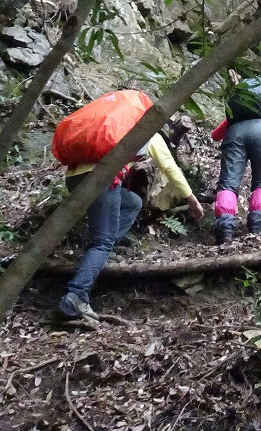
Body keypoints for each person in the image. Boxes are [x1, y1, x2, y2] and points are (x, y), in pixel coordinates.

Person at [56, 94, 205, 321]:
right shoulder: (147, 134)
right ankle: (76, 296)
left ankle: (98, 256)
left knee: (132, 202)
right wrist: (192, 199)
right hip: (102, 180)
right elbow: (170, 167)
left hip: (75, 178)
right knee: (102, 242)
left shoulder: (118, 128)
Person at [211, 75, 261, 243]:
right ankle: (256, 226)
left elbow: (215, 135)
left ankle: (225, 228)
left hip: (236, 133)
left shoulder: (238, 113)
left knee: (228, 183)